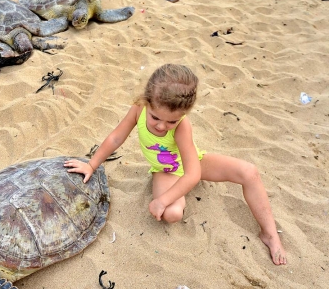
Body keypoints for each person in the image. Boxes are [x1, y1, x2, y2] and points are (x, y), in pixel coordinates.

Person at [64, 64, 287, 265]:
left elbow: (193, 173)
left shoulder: (182, 126)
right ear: (146, 101)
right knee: (172, 214)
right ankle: (172, 200)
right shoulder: (140, 108)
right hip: (166, 171)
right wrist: (92, 165)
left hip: (192, 164)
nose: (162, 126)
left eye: (171, 121)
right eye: (155, 118)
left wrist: (161, 200)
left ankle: (269, 233)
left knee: (249, 172)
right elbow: (115, 138)